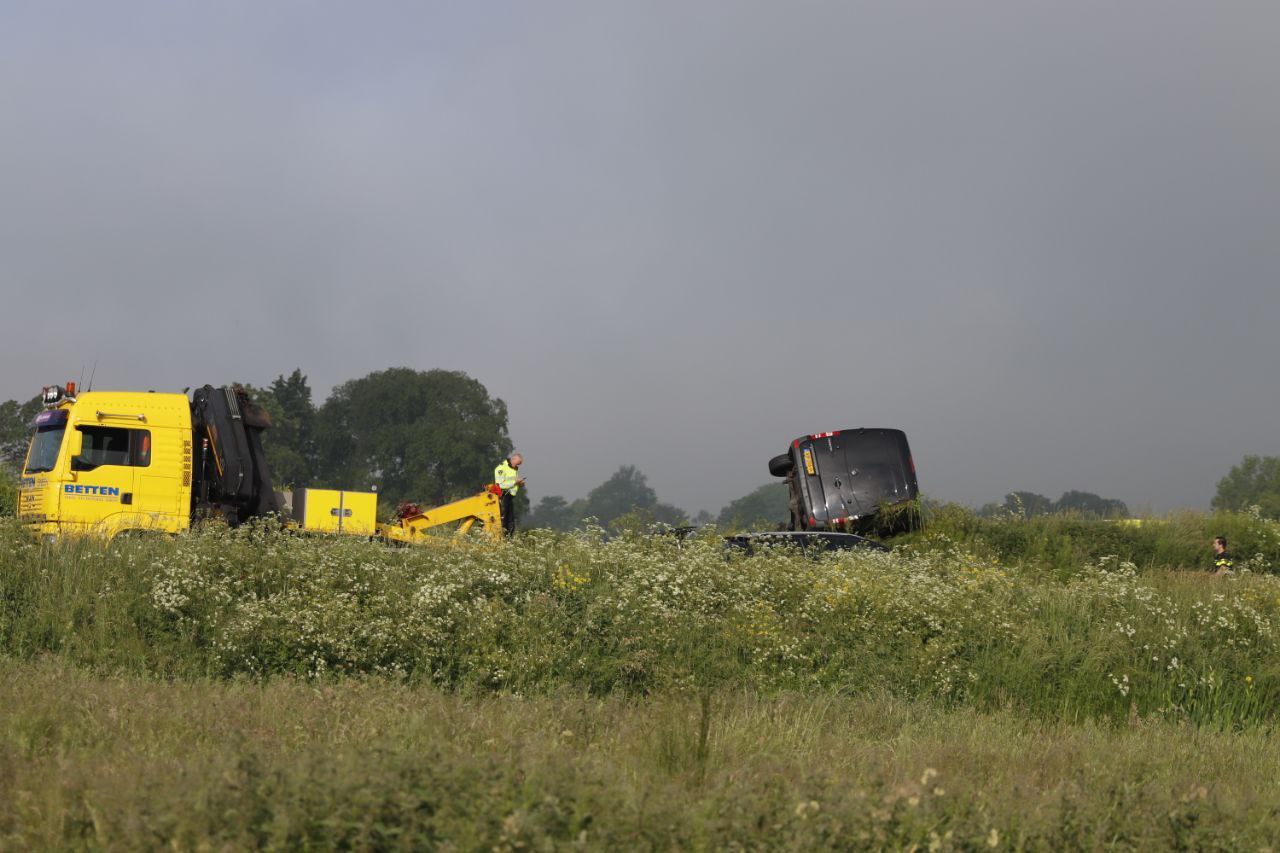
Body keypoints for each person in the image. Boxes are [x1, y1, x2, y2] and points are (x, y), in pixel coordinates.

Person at [493, 452, 525, 537]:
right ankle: (501, 538)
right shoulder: (501, 468)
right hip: (503, 496)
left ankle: (509, 540)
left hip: (510, 497)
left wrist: (520, 484)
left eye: (519, 464)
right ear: (513, 459)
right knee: (503, 520)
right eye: (517, 463)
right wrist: (515, 482)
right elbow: (500, 485)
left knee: (511, 521)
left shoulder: (513, 468)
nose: (518, 466)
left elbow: (512, 482)